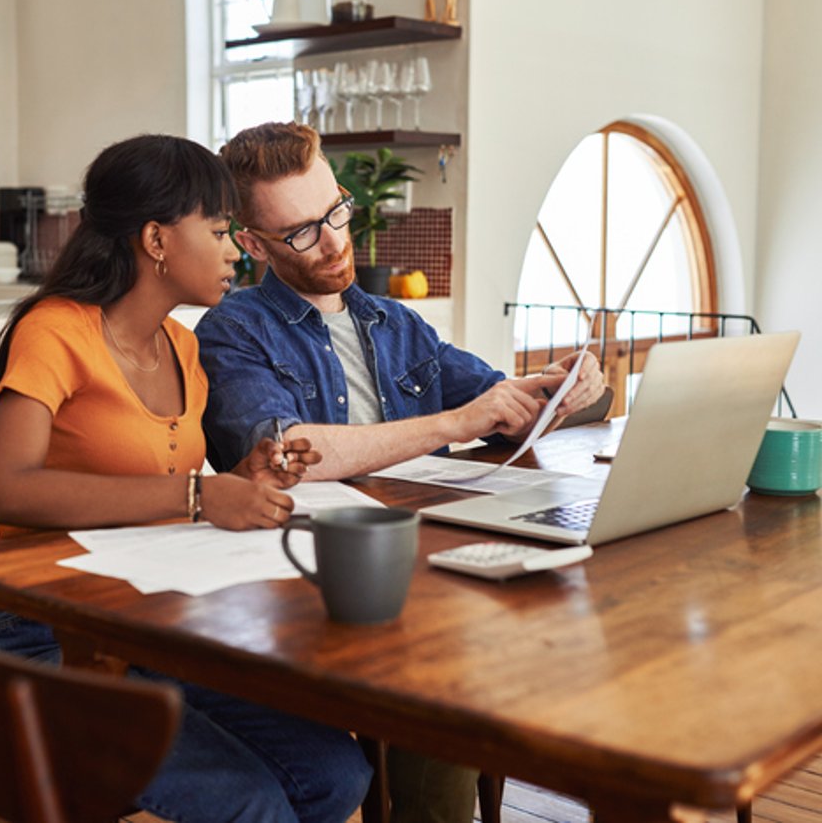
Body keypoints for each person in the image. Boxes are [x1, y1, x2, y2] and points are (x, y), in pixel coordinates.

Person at [196, 121, 605, 823]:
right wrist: (457, 423)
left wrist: (566, 388)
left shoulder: (396, 323)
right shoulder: (233, 330)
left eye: (336, 213)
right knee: (451, 674)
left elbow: (502, 405)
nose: (333, 241)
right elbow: (286, 453)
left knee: (531, 628)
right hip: (312, 583)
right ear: (252, 244)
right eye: (301, 233)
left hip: (426, 563)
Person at [0, 133, 372, 823]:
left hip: (152, 624)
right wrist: (194, 496)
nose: (233, 250)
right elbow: (4, 489)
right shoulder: (55, 331)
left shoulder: (185, 346)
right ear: (156, 239)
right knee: (251, 804)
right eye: (219, 230)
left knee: (335, 775)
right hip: (45, 636)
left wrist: (247, 473)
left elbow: (169, 470)